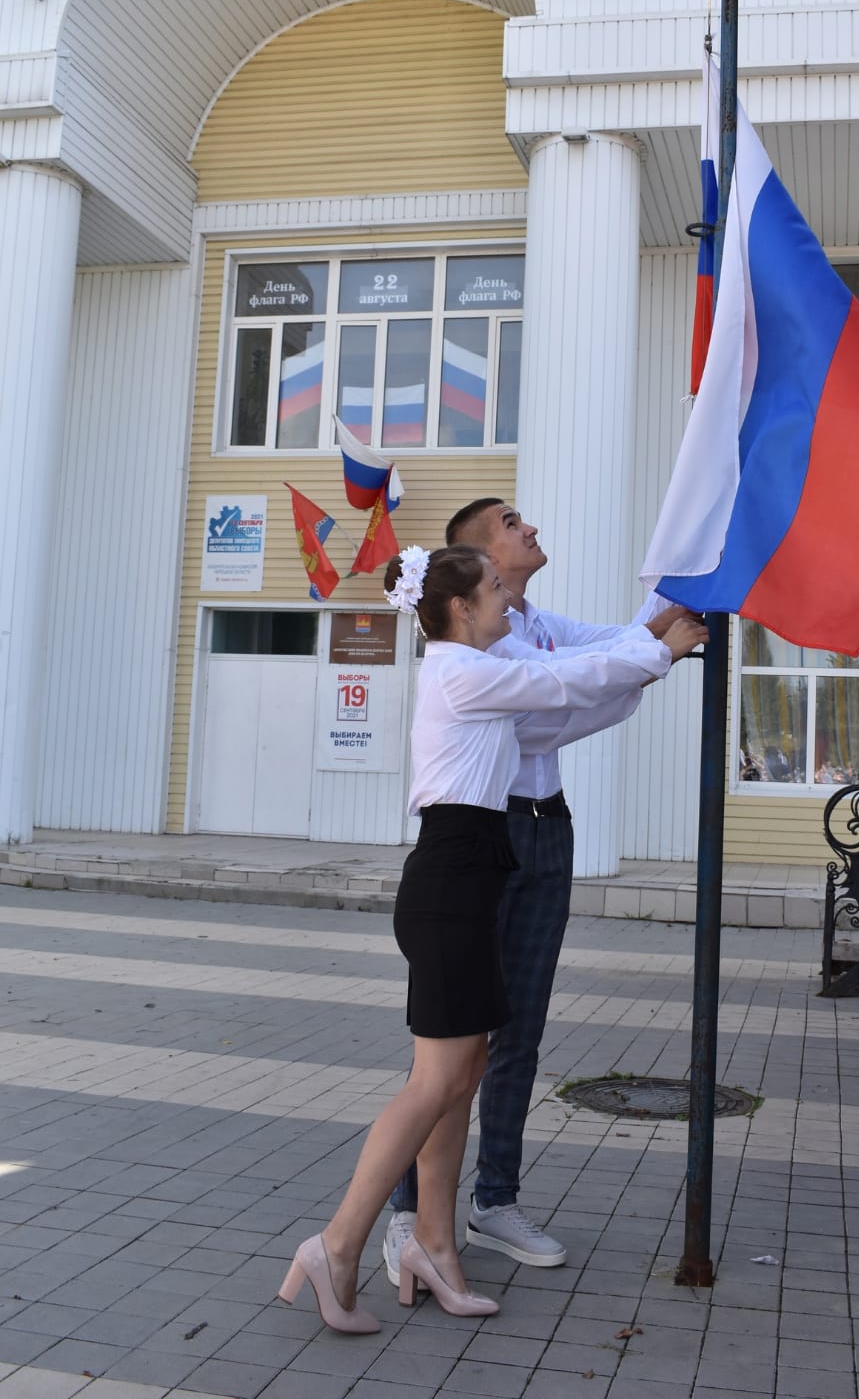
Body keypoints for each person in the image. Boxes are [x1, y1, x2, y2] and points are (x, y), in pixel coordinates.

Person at [278, 543, 707, 1330]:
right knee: (434, 1082)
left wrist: (652, 648)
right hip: (450, 880)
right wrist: (656, 650)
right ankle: (336, 1244)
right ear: (461, 608)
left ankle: (435, 1248)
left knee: (465, 1069)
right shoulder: (461, 672)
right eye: (496, 592)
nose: (510, 602)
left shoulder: (478, 666)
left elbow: (572, 691)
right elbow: (560, 679)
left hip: (471, 875)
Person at [386, 501, 692, 1278]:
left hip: (544, 826)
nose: (529, 530)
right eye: (511, 524)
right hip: (490, 837)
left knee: (517, 1026)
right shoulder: (480, 651)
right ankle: (407, 1215)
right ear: (474, 567)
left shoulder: (530, 621)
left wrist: (674, 596)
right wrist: (646, 661)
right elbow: (558, 700)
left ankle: (493, 1200)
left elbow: (606, 650)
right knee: (455, 1042)